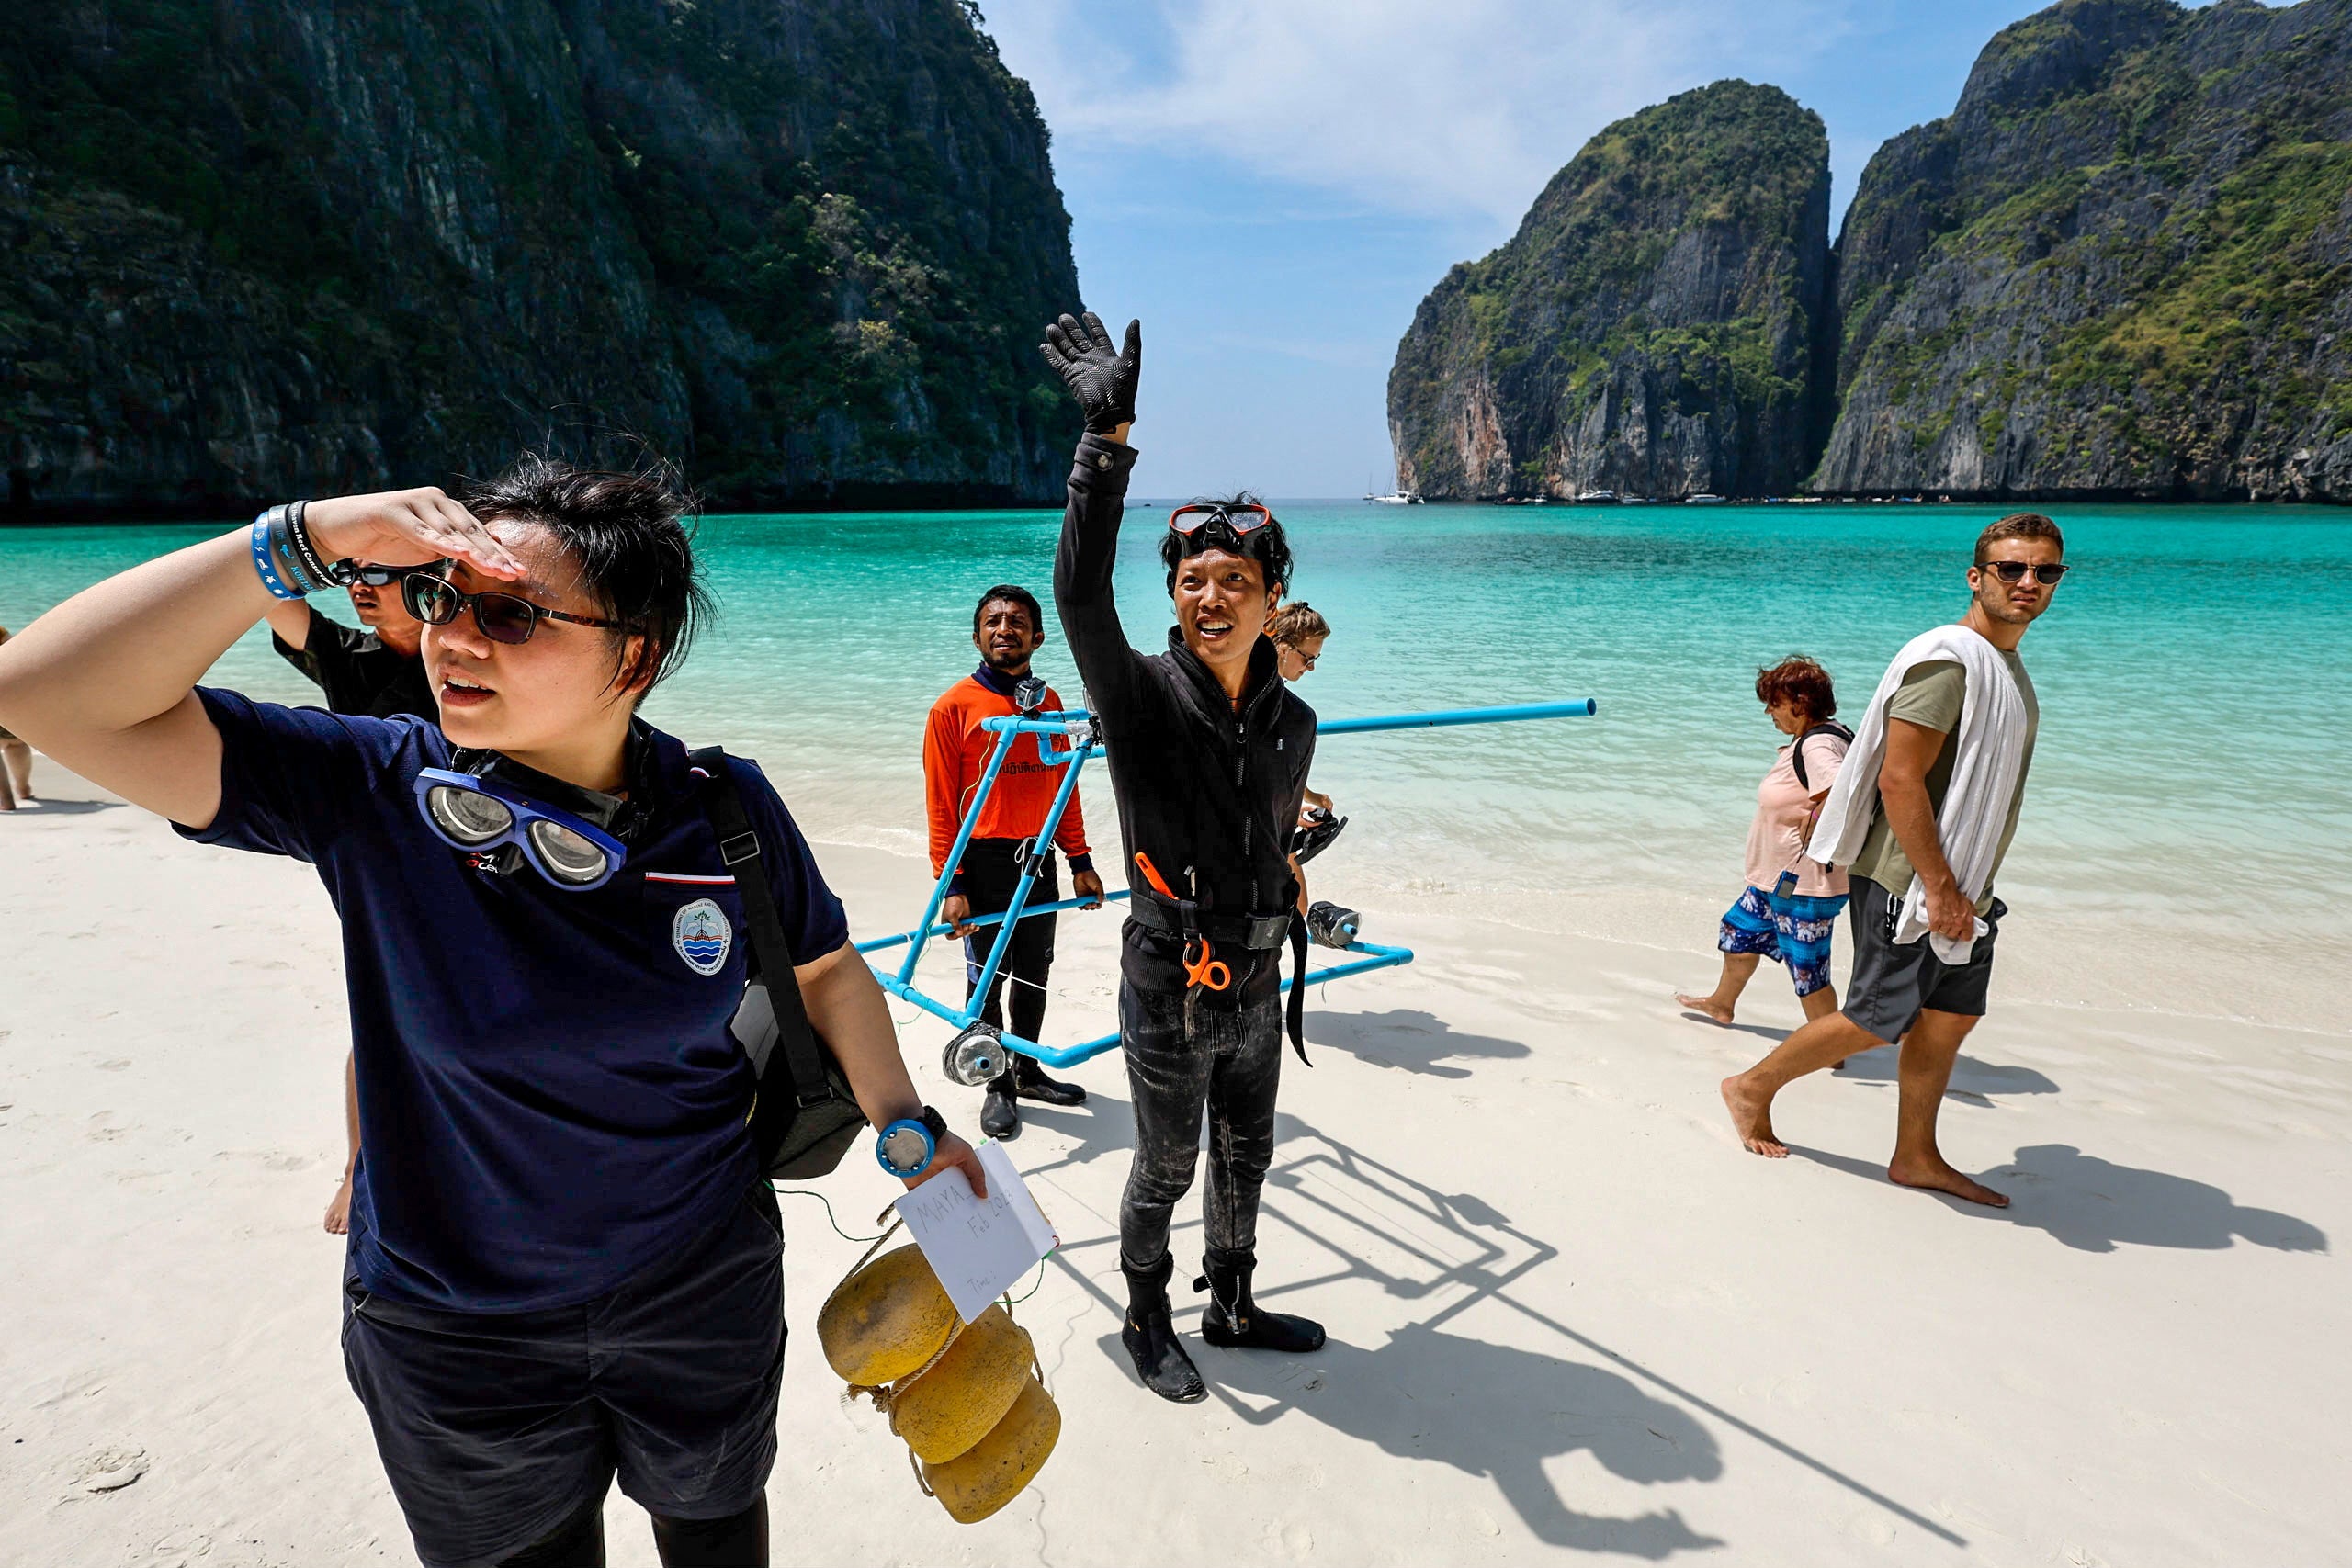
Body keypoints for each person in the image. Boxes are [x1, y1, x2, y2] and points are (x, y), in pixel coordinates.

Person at [0, 460, 984, 1568]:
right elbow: (36, 694)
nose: (454, 641)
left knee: (714, 1534)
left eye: (510, 614)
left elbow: (826, 971)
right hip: (457, 1333)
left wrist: (907, 1127)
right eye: (440, 600)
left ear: (636, 656)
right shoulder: (374, 791)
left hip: (701, 1290)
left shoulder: (725, 809)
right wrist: (301, 537)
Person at [1043, 309, 1327, 1405]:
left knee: (1248, 1157)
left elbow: (1270, 838)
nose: (1210, 598)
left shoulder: (1292, 723)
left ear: (1269, 598)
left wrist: (1294, 870)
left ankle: (1235, 1301)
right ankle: (1145, 1315)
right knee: (1166, 1163)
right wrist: (1105, 439)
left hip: (1259, 975)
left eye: (1233, 583)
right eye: (1191, 581)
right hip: (1170, 978)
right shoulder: (1138, 697)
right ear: (1173, 595)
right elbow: (1076, 593)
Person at [1720, 514, 2066, 1208]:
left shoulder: (2004, 667)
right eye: (2011, 568)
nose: (2028, 581)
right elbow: (1900, 779)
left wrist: (1962, 887)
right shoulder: (1950, 663)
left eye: (2045, 570)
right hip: (1908, 878)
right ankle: (1751, 1086)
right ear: (1977, 577)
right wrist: (1937, 886)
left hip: (1966, 882)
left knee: (1949, 1016)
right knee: (1878, 1016)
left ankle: (1915, 1155)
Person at [265, 570, 436, 1235]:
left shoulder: (463, 645)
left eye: (380, 574)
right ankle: (359, 1165)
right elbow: (269, 595)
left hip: (480, 846)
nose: (361, 585)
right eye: (351, 574)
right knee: (383, 1007)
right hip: (376, 855)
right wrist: (328, 541)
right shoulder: (344, 652)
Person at [924, 583, 1106, 1138]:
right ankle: (996, 1083)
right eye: (994, 621)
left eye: (1018, 621)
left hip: (1039, 855)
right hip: (979, 862)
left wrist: (1079, 858)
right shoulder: (952, 708)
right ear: (978, 635)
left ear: (1038, 636)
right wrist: (950, 881)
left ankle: (1026, 1070)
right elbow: (939, 802)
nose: (1005, 629)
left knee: (1035, 970)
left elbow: (1064, 786)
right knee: (987, 978)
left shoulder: (1048, 704)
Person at [1678, 656, 1852, 1031]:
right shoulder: (1819, 736)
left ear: (1799, 703)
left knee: (1808, 974)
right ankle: (1722, 1004)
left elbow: (1842, 793)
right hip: (1774, 880)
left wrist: (1815, 827)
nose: (1769, 713)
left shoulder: (1817, 747)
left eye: (1774, 703)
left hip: (1804, 887)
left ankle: (1831, 1048)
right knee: (1738, 932)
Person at [1265, 602, 1335, 820]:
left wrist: (1309, 798)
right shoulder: (1279, 708)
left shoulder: (1271, 699)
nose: (1311, 667)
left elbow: (1278, 769)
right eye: (1308, 658)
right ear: (1284, 649)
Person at [0, 626, 33, 810]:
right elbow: (15, 658)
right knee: (15, 743)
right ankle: (23, 788)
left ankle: (5, 799)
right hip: (6, 693)